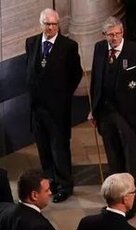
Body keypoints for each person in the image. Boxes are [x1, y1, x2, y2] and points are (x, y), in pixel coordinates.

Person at [90, 16, 136, 218]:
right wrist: (93, 109)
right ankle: (115, 201)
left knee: (130, 162)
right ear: (104, 35)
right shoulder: (100, 48)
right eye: (110, 35)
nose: (114, 38)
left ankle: (130, 203)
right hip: (106, 113)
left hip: (129, 116)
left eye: (117, 33)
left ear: (122, 32)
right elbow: (95, 81)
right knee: (113, 159)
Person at [25, 8, 83, 203]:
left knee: (59, 149)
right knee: (43, 148)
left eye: (53, 24)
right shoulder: (32, 42)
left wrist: (62, 96)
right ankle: (50, 183)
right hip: (37, 108)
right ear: (41, 24)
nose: (50, 27)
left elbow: (76, 74)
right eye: (47, 24)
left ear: (58, 25)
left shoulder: (68, 46)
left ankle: (65, 185)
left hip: (57, 109)